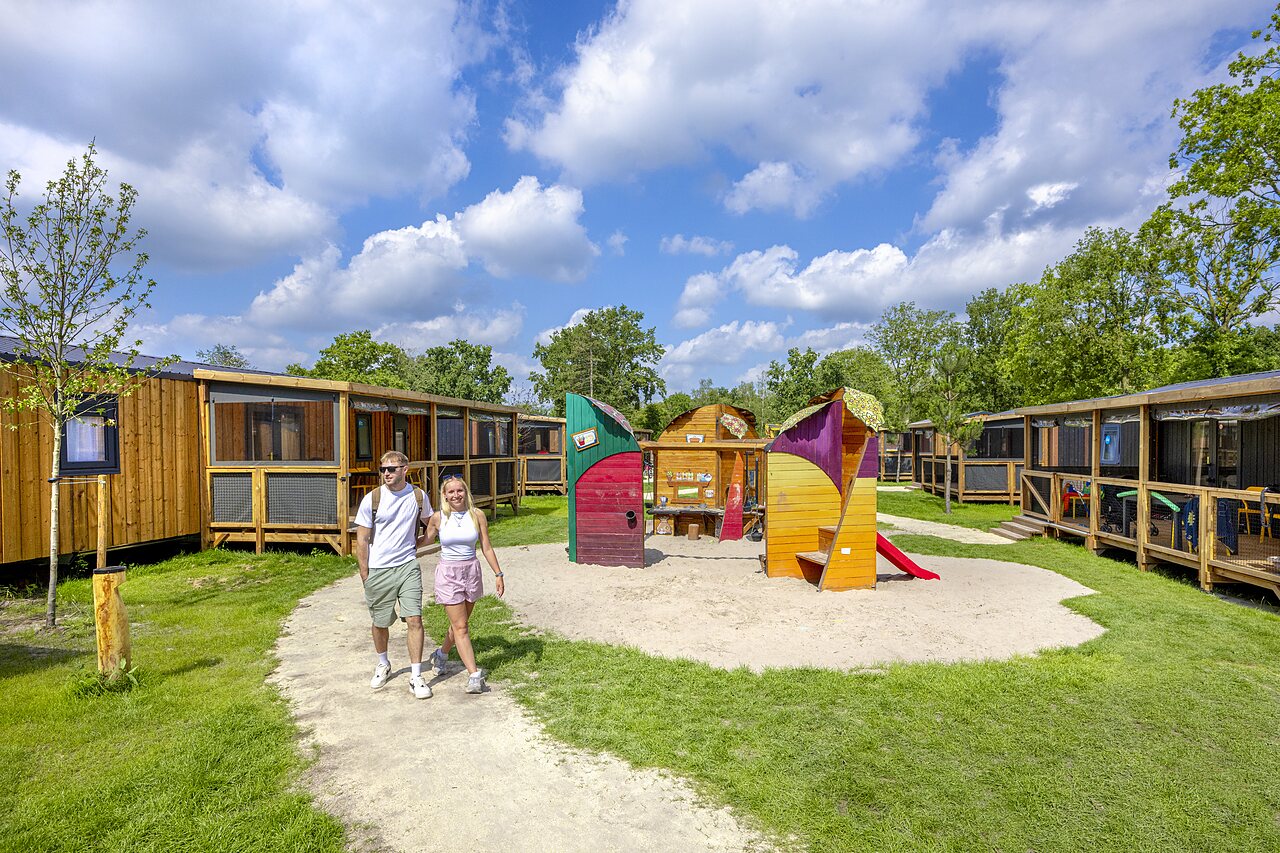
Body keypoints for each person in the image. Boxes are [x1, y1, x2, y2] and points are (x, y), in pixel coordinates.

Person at [354, 450, 434, 699]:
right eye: (383, 470)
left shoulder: (419, 496)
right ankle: (383, 663)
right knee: (380, 622)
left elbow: (431, 524)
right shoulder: (372, 499)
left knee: (414, 620)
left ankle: (416, 675)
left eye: (392, 469)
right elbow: (362, 539)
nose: (386, 474)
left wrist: (418, 545)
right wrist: (365, 573)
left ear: (405, 469)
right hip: (378, 569)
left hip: (408, 566)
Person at [426, 475, 505, 694]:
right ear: (444, 495)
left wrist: (498, 574)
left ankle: (441, 655)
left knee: (459, 624)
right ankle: (474, 675)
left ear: (466, 492)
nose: (456, 495)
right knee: (461, 627)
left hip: (471, 571)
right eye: (451, 492)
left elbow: (486, 547)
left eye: (459, 491)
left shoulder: (477, 515)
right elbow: (424, 541)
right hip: (448, 573)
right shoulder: (438, 518)